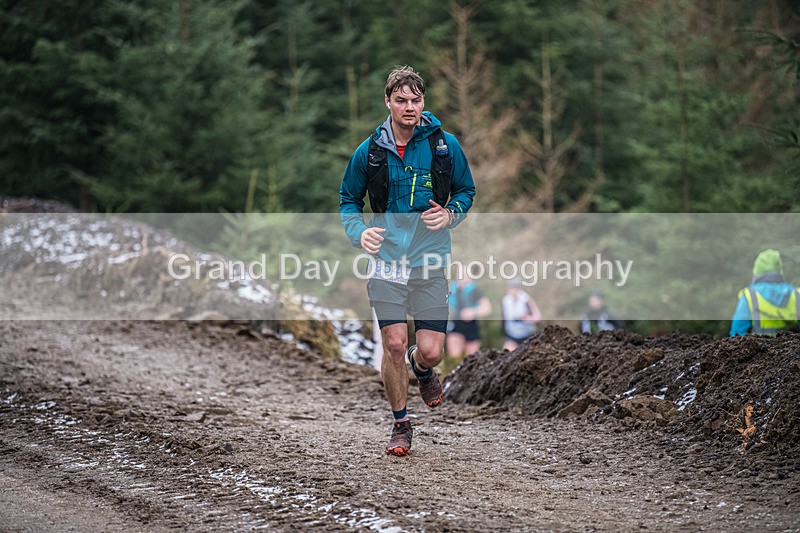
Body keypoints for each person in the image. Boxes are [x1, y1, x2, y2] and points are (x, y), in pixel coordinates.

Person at [339, 66, 476, 456]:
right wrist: (359, 232)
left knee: (431, 351)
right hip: (386, 261)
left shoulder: (444, 145)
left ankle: (423, 367)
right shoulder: (369, 152)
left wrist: (450, 214)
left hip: (430, 260)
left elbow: (466, 191)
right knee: (394, 344)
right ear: (388, 102)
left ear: (423, 102)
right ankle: (401, 424)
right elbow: (348, 201)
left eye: (416, 100)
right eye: (401, 100)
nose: (409, 107)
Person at [730, 249, 800, 336]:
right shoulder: (797, 294)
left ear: (757, 271)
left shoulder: (749, 295)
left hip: (757, 345)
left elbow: (737, 334)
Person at [446, 274, 492, 361]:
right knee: (454, 358)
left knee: (471, 359)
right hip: (455, 325)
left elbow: (487, 308)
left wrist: (473, 312)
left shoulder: (475, 290)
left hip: (471, 326)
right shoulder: (450, 288)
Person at [501, 278, 542, 351]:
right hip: (512, 335)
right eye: (511, 287)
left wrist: (529, 319)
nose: (513, 290)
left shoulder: (526, 300)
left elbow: (538, 317)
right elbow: (503, 318)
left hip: (527, 335)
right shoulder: (505, 301)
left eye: (515, 287)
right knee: (507, 352)